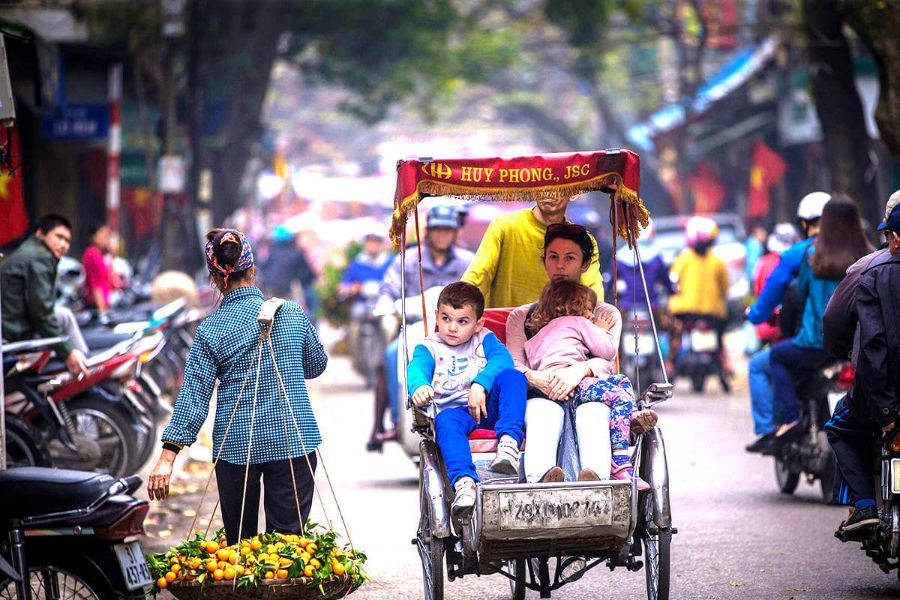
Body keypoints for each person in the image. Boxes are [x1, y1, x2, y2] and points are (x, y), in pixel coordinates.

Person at [147, 228, 327, 545]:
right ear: (253, 268)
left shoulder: (210, 330)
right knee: (288, 549)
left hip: (237, 445)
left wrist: (166, 457)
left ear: (215, 278)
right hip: (293, 440)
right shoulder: (292, 313)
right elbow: (316, 365)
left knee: (240, 550)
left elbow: (194, 398)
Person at [504, 224, 656, 484]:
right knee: (543, 414)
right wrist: (541, 379)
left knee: (594, 412)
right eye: (553, 257)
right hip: (540, 390)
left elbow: (607, 363)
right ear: (544, 261)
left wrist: (579, 370)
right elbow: (515, 365)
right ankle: (541, 479)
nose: (560, 266)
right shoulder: (521, 317)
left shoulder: (605, 313)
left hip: (587, 388)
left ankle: (596, 479)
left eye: (570, 258)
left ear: (585, 264)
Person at [406, 281, 527, 518]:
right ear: (436, 318)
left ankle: (509, 443)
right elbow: (417, 369)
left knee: (513, 377)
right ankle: (464, 482)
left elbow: (502, 360)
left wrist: (480, 384)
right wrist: (419, 386)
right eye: (446, 318)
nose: (452, 328)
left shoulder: (484, 338)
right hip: (456, 413)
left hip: (488, 408)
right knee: (446, 421)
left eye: (462, 321)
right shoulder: (428, 347)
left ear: (478, 324)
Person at [370, 204, 474, 450]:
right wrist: (386, 305)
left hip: (458, 332)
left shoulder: (466, 261)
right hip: (416, 329)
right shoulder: (408, 259)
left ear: (455, 232)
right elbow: (388, 289)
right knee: (392, 353)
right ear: (429, 231)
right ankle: (391, 422)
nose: (442, 235)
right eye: (437, 230)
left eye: (447, 230)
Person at [827, 199, 900, 536]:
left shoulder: (870, 272)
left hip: (881, 395)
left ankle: (866, 506)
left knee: (840, 427)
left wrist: (886, 412)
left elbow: (873, 347)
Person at [769, 196, 870, 441]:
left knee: (776, 356)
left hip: (816, 344)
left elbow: (798, 295)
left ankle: (790, 417)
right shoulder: (870, 254)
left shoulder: (812, 255)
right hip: (861, 346)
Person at [523, 280, 642, 484]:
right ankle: (620, 459)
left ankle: (630, 415)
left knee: (619, 381)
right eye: (588, 309)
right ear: (570, 307)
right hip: (574, 382)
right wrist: (602, 330)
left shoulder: (535, 338)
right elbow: (607, 350)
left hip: (546, 387)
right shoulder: (578, 322)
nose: (591, 315)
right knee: (621, 396)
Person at [462, 196, 605, 308]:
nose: (549, 193)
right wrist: (458, 306)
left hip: (558, 335)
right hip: (502, 334)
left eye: (558, 187)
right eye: (543, 185)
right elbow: (479, 275)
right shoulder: (505, 226)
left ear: (574, 193)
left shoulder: (582, 239)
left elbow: (593, 290)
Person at [0, 214, 88, 375]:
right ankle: (82, 368)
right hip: (14, 332)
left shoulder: (33, 252)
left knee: (62, 315)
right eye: (59, 237)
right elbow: (41, 313)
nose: (63, 245)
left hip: (16, 325)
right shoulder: (39, 257)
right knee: (64, 316)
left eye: (67, 241)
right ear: (40, 234)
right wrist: (68, 352)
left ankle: (82, 363)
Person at [745, 223, 799, 453]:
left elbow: (763, 302)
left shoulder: (780, 263)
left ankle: (770, 427)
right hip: (838, 342)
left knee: (760, 365)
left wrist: (754, 314)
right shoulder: (855, 255)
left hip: (797, 339)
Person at [667, 216, 730, 373]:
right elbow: (725, 287)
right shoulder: (717, 261)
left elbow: (672, 280)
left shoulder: (683, 258)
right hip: (713, 312)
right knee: (720, 338)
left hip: (685, 311)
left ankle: (670, 363)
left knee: (676, 335)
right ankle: (724, 364)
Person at [261, 225, 319, 321]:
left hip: (268, 288)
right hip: (286, 290)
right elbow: (306, 272)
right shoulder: (295, 252)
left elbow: (264, 267)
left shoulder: (271, 250)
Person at [82, 223, 113, 319]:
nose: (105, 237)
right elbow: (96, 285)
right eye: (102, 233)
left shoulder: (100, 255)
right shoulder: (92, 254)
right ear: (93, 236)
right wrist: (102, 311)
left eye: (107, 234)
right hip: (96, 305)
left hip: (103, 302)